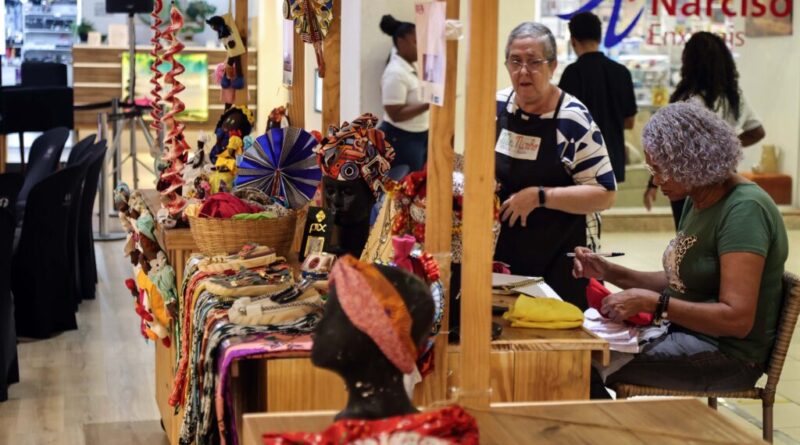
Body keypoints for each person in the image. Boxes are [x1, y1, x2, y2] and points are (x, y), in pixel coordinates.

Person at [575, 102, 788, 393]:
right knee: (574, 347)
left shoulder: (745, 210)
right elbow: (680, 282)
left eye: (661, 170)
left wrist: (656, 304)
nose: (656, 180)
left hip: (727, 356)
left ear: (693, 160)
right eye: (652, 169)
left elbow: (737, 320)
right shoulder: (697, 199)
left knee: (579, 363)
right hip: (685, 333)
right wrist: (608, 271)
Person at [495, 22, 616, 308]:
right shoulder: (498, 106)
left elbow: (605, 194)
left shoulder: (572, 119)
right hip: (507, 250)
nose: (523, 71)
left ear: (552, 66)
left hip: (562, 253)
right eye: (515, 61)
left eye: (534, 62)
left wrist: (539, 197)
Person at [644, 32, 766, 229]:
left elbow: (666, 148)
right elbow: (757, 131)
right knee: (719, 230)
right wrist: (725, 148)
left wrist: (652, 184)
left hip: (686, 180)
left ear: (689, 62)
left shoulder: (687, 99)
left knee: (688, 235)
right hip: (725, 178)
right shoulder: (733, 98)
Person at [559, 12, 637, 183]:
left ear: (573, 41)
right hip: (612, 160)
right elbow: (630, 122)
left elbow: (562, 122)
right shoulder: (622, 72)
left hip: (581, 161)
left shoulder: (572, 74)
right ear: (600, 38)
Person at [379, 14, 430, 173]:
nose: (421, 46)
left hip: (419, 135)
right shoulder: (395, 73)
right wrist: (429, 104)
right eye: (416, 42)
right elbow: (395, 114)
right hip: (400, 139)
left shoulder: (413, 65)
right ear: (401, 42)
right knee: (403, 183)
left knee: (419, 180)